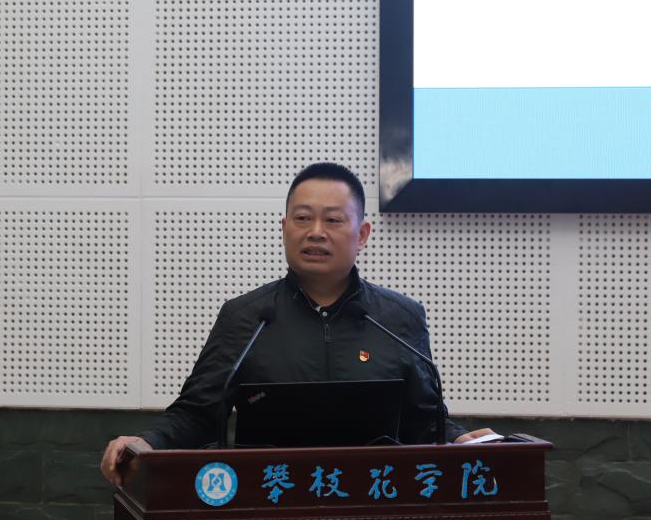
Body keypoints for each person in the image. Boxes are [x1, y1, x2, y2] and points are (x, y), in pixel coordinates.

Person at [101, 162, 494, 484]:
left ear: (362, 235)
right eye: (303, 218)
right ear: (284, 228)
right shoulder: (246, 317)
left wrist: (461, 439)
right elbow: (197, 413)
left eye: (333, 220)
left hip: (376, 503)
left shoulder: (399, 318)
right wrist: (147, 443)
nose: (315, 232)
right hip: (269, 503)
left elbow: (424, 421)